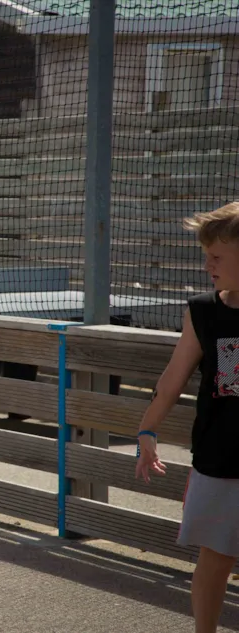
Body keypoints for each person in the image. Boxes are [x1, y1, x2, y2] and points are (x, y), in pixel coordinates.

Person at [134, 201, 239, 633]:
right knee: (214, 562)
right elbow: (172, 378)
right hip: (219, 460)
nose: (207, 265)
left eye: (217, 256)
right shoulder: (203, 311)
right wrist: (146, 429)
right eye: (205, 254)